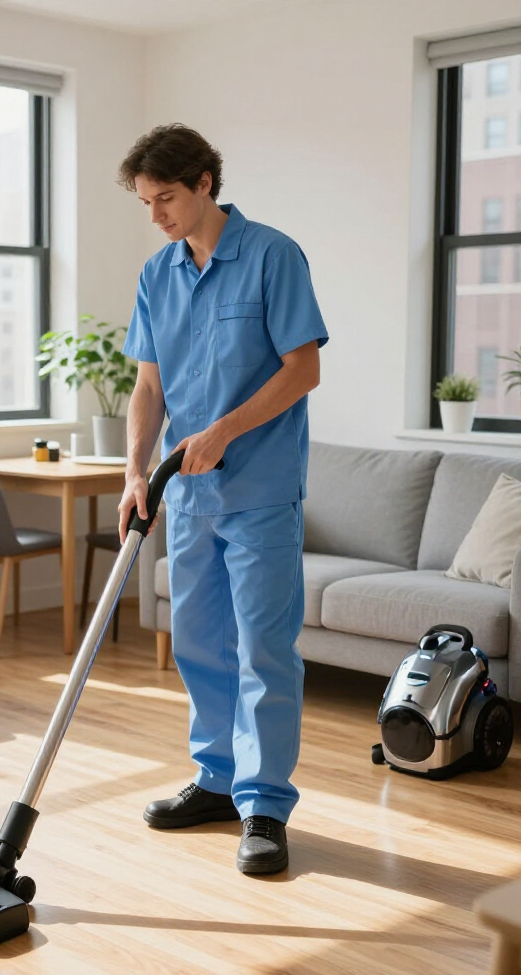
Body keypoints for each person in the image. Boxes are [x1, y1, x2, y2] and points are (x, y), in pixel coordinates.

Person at [116, 124, 328, 875]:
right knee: (201, 644)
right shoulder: (156, 274)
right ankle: (216, 780)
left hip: (261, 491)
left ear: (205, 181)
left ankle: (265, 804)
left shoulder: (273, 255)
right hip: (187, 496)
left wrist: (225, 431)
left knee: (263, 651)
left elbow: (302, 370)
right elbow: (149, 386)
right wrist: (137, 471)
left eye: (165, 198)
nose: (157, 215)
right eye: (146, 202)